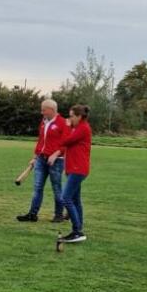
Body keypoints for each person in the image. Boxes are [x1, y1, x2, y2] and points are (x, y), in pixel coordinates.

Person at [17, 99, 67, 223]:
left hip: (57, 161)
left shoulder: (63, 123)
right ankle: (32, 214)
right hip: (41, 159)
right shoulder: (44, 122)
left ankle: (59, 215)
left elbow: (66, 144)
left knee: (56, 188)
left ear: (51, 109)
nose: (41, 112)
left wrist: (55, 154)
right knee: (37, 187)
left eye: (43, 110)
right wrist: (35, 156)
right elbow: (40, 141)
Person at [59, 105, 93, 244]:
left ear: (79, 116)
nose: (69, 118)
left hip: (78, 169)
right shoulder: (78, 128)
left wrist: (66, 127)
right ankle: (78, 231)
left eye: (72, 116)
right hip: (75, 168)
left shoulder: (82, 128)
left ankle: (77, 231)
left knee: (66, 198)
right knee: (76, 200)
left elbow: (65, 141)